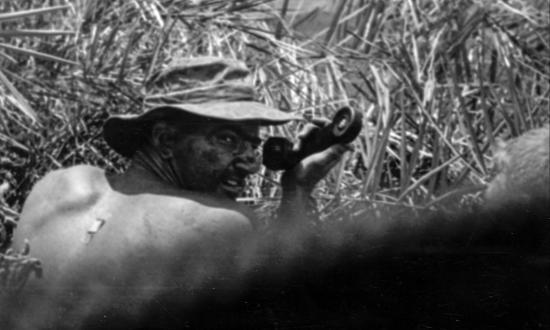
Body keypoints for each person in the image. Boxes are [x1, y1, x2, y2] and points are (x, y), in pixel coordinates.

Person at [2, 57, 350, 328]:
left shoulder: (57, 185)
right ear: (165, 140)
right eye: (227, 140)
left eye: (251, 147)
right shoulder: (216, 224)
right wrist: (299, 193)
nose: (251, 165)